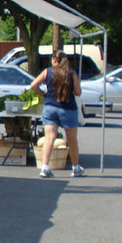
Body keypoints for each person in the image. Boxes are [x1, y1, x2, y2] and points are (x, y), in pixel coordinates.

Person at [30, 50, 84, 178]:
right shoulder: (71, 73)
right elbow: (78, 92)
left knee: (49, 138)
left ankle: (45, 167)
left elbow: (33, 85)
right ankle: (76, 167)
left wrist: (44, 94)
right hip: (68, 108)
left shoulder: (47, 72)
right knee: (71, 140)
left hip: (50, 107)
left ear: (54, 60)